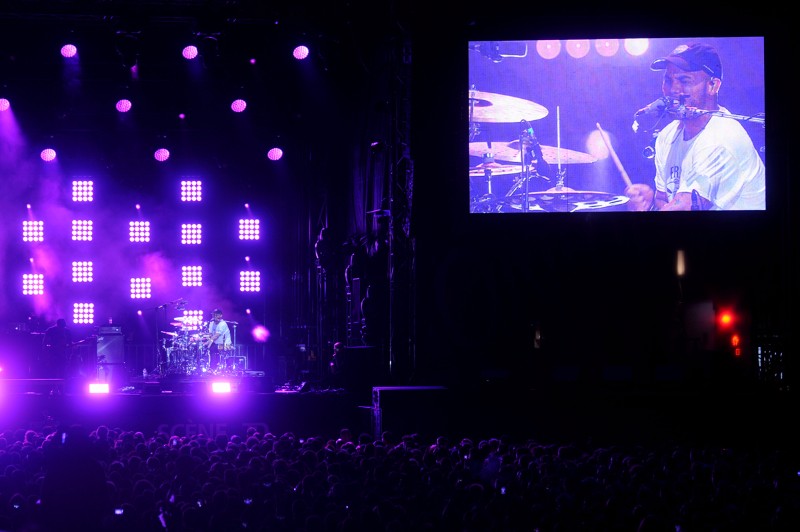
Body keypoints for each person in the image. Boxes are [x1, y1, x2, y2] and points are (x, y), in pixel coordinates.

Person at [625, 43, 765, 211]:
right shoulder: (667, 136)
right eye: (668, 80)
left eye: (684, 80)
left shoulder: (723, 138)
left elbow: (684, 208)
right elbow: (663, 198)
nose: (673, 89)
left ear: (713, 86)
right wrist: (650, 204)